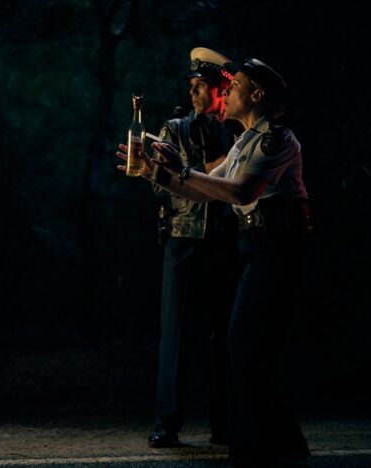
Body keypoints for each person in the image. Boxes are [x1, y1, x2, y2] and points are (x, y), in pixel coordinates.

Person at [117, 57, 311, 466]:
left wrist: (181, 171)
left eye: (235, 84)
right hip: (257, 246)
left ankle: (260, 446)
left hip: (277, 246)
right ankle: (282, 445)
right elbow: (207, 191)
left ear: (256, 94)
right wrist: (157, 174)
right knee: (249, 350)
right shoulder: (244, 142)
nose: (228, 90)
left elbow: (239, 192)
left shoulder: (276, 139)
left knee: (246, 347)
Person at [147, 47, 241, 448]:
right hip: (183, 239)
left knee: (226, 334)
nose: (193, 92)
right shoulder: (174, 129)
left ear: (221, 88)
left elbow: (243, 184)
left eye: (201, 85)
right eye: (192, 85)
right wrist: (208, 172)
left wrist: (193, 175)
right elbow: (160, 184)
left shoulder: (237, 130)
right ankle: (167, 422)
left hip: (224, 241)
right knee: (176, 334)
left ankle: (225, 423)